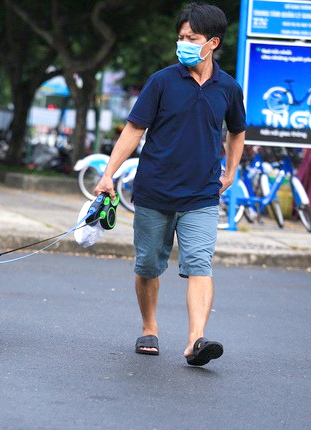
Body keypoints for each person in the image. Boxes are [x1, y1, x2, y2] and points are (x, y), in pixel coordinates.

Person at [94, 2, 246, 366]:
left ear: (212, 42)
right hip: (154, 192)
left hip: (201, 196)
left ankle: (196, 341)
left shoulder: (228, 87)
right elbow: (134, 129)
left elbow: (237, 132)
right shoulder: (161, 81)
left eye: (191, 38)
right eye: (181, 37)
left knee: (200, 264)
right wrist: (107, 173)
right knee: (148, 266)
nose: (184, 44)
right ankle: (150, 327)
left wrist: (231, 171)